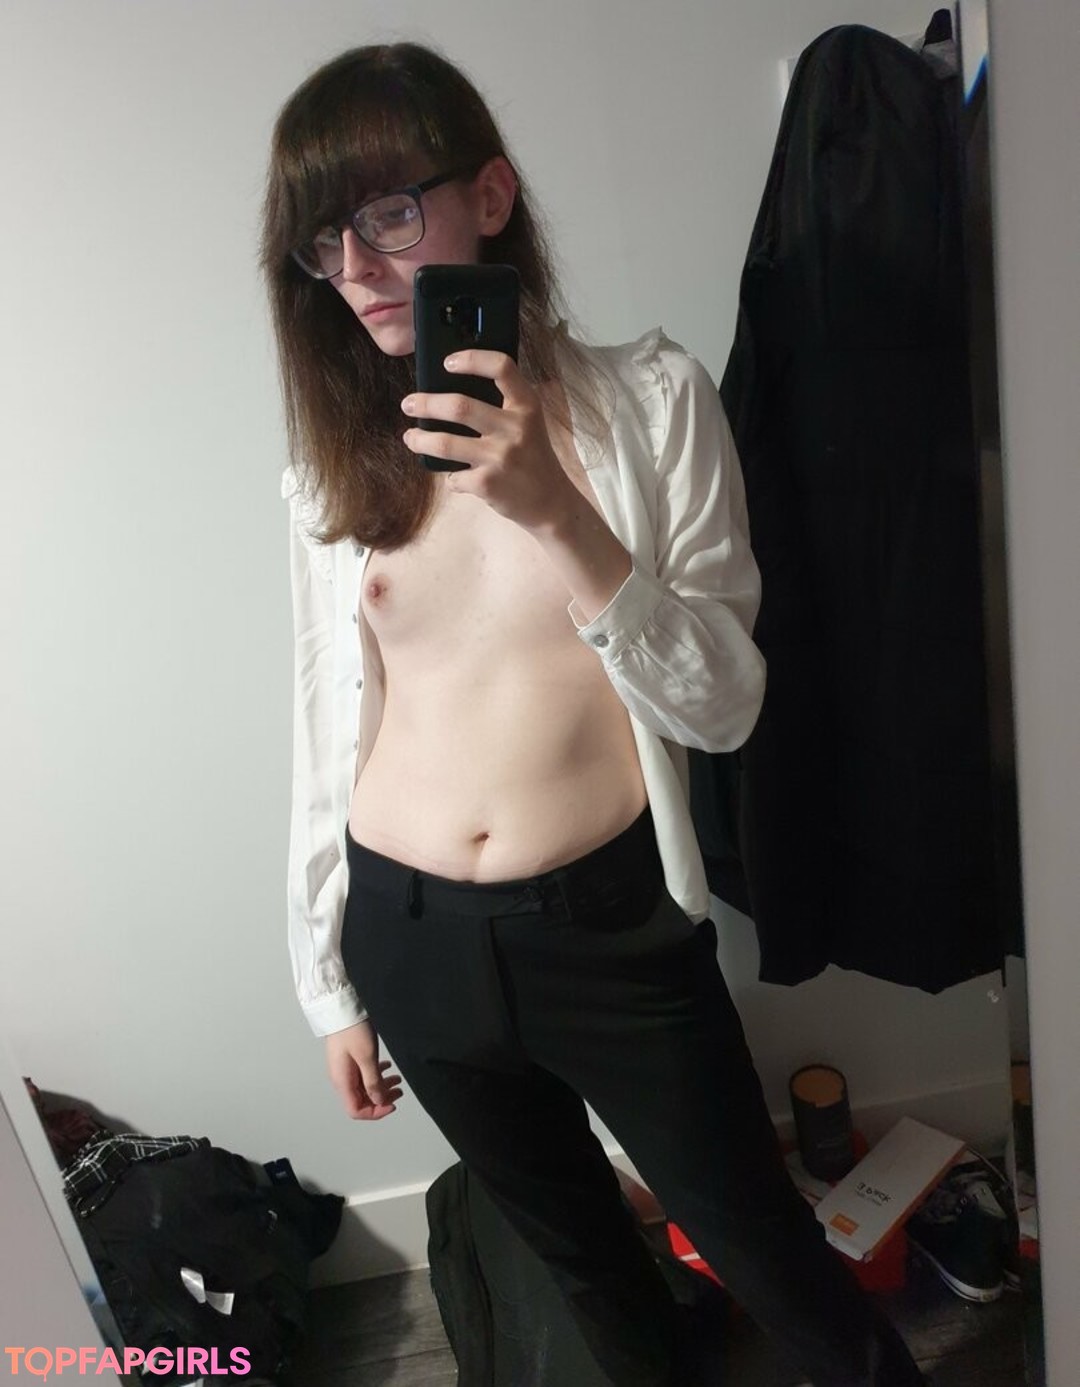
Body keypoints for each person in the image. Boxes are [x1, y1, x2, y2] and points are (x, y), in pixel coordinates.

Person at [261, 41, 927, 1387]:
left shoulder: (653, 403)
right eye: (322, 242)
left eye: (387, 212)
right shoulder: (332, 472)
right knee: (580, 1256)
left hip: (608, 931)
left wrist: (558, 516)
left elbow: (727, 707)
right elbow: (325, 734)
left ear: (490, 194)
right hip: (406, 932)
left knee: (763, 1245)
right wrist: (327, 981)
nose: (359, 268)